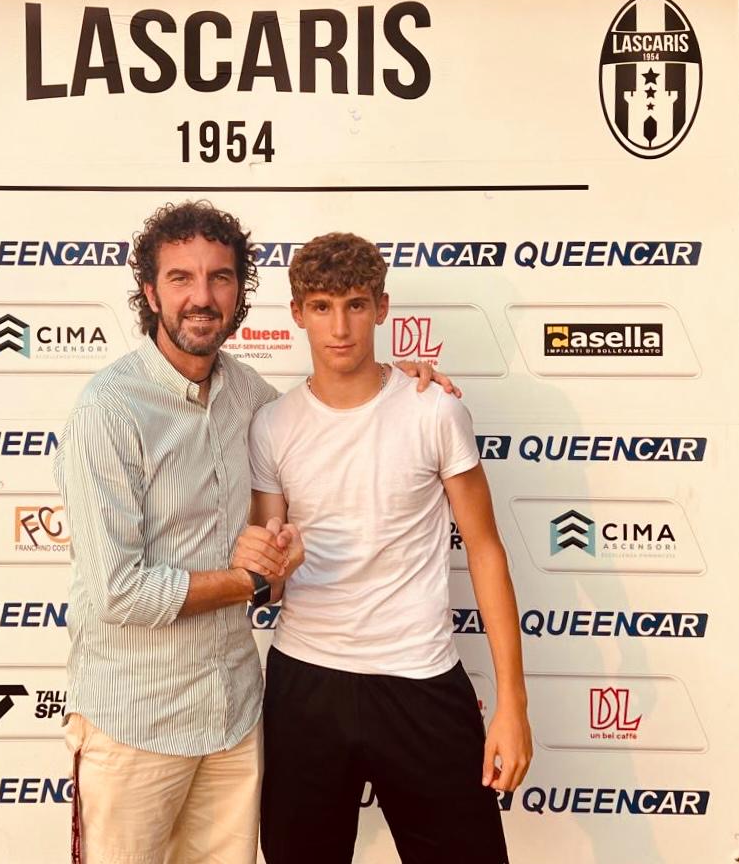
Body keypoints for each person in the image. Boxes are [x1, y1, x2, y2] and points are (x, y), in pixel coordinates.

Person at [53, 202, 455, 864]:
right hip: (134, 725)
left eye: (220, 277)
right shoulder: (108, 410)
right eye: (180, 278)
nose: (202, 297)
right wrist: (248, 582)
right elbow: (119, 591)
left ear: (240, 292)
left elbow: (335, 409)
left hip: (232, 724)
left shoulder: (252, 399)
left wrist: (406, 384)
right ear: (149, 293)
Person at [249, 232, 532, 864]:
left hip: (419, 677)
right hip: (306, 683)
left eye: (355, 304)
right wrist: (274, 565)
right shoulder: (271, 424)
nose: (339, 327)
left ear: (381, 308)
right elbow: (270, 579)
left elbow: (486, 551)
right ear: (297, 313)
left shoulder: (434, 410)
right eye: (321, 307)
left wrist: (512, 702)